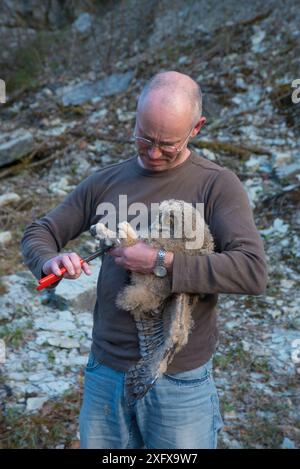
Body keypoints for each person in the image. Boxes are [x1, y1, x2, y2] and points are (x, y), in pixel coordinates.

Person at [21, 71, 268, 449]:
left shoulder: (216, 185)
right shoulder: (106, 181)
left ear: (196, 128)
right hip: (106, 371)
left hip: (180, 378)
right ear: (134, 120)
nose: (153, 152)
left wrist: (161, 261)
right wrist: (50, 260)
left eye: (167, 144)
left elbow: (252, 271)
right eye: (144, 138)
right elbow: (39, 232)